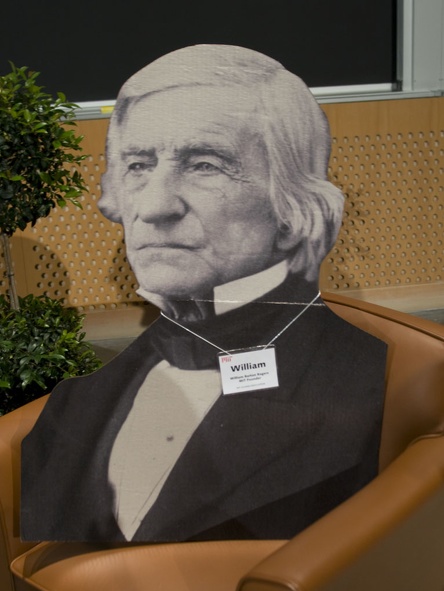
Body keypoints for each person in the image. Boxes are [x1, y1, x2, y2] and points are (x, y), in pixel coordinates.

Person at [21, 45, 387, 543]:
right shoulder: (77, 404)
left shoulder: (363, 396)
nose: (154, 207)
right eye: (138, 165)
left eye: (205, 165)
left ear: (292, 210)